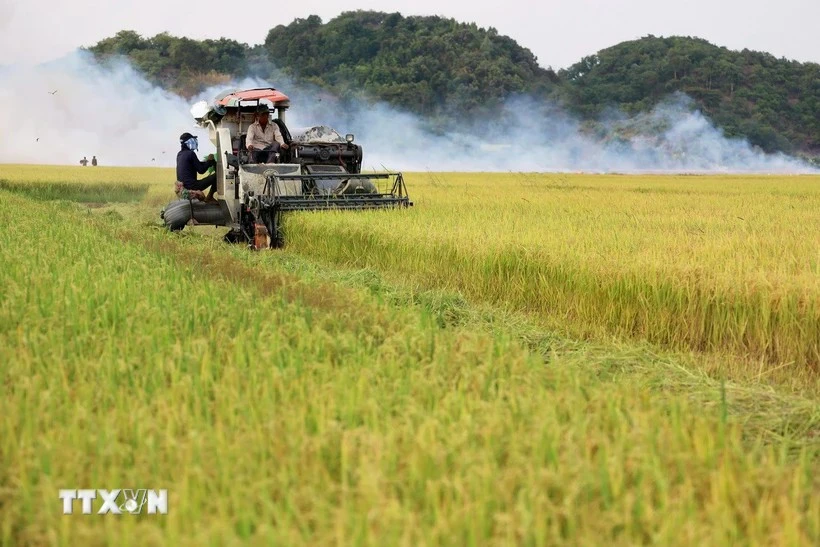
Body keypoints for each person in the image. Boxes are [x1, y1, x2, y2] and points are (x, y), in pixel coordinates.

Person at [176, 132, 217, 201]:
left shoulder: (180, 154)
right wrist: (209, 161)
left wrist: (208, 161)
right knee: (218, 176)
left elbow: (195, 164)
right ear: (188, 142)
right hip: (193, 186)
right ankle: (210, 197)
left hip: (184, 187)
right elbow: (201, 170)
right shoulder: (191, 154)